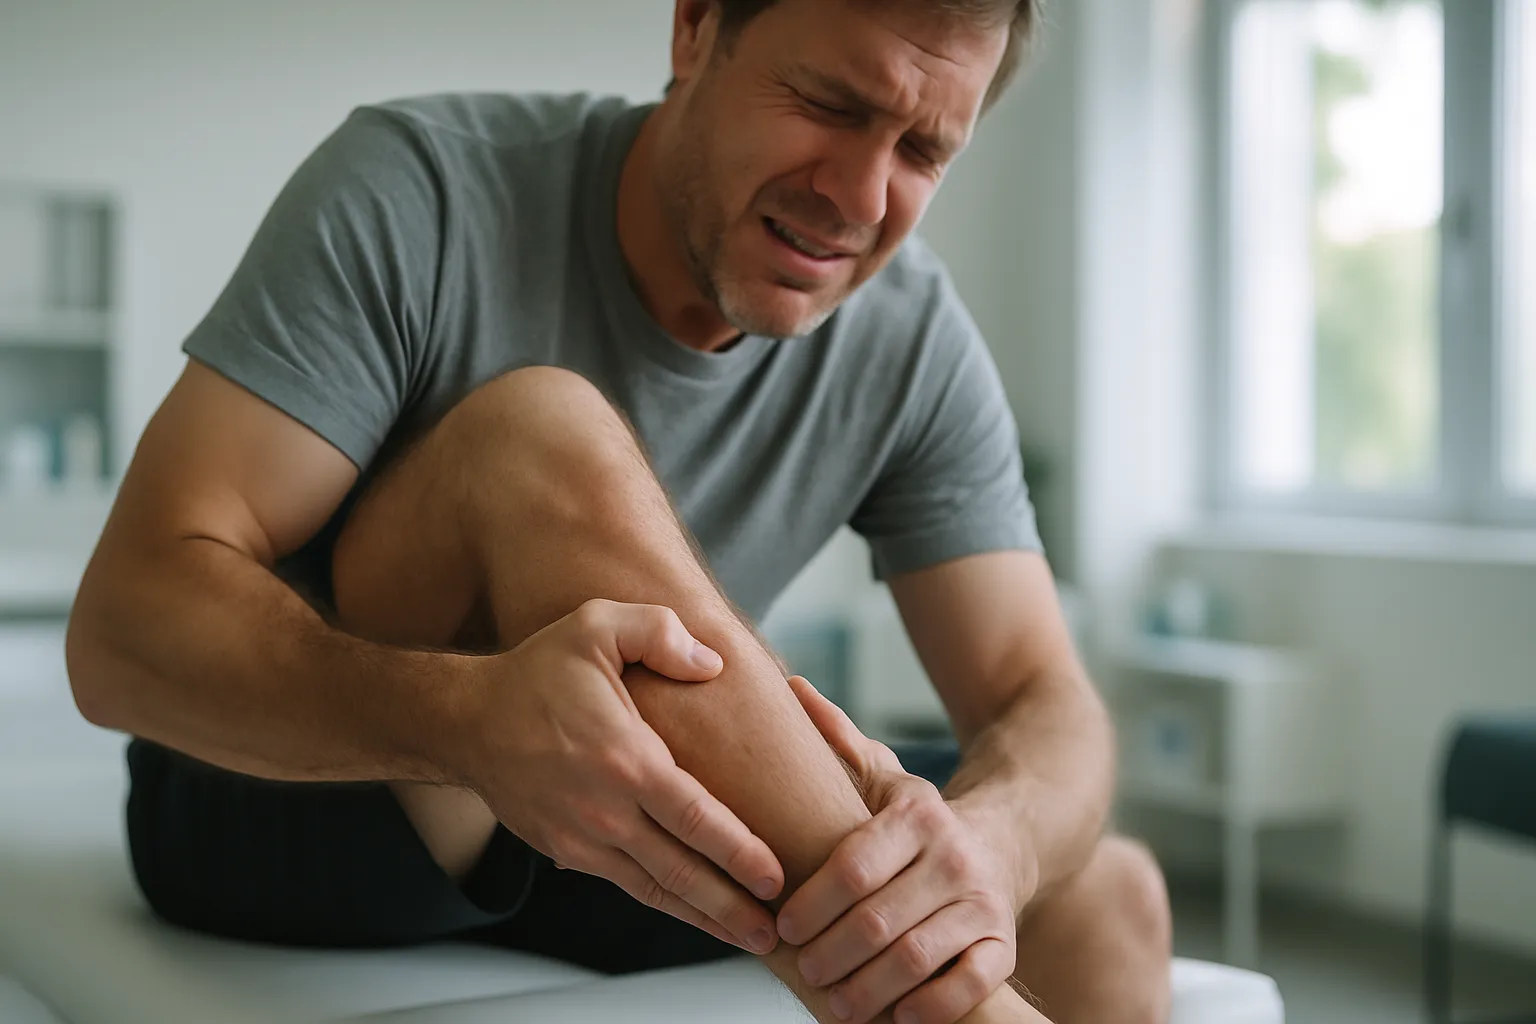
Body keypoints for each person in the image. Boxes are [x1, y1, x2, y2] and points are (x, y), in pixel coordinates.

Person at [64, 1, 1172, 1022]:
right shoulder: (423, 189)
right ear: (696, 28)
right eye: (832, 105)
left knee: (1106, 895)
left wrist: (993, 853)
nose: (862, 197)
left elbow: (1046, 702)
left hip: (612, 820)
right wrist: (469, 721)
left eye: (924, 150)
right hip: (304, 800)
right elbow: (119, 636)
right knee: (538, 436)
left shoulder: (911, 339)